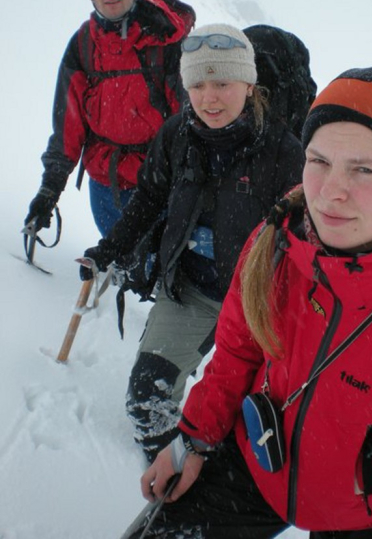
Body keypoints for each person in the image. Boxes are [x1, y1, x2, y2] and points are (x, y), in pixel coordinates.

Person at [128, 68, 372, 539]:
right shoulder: (276, 243)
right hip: (257, 461)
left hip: (370, 514)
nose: (329, 191)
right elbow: (239, 352)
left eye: (364, 169)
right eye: (318, 160)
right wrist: (194, 439)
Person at [79, 24, 305, 462]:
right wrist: (109, 250)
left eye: (222, 83)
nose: (210, 98)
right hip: (194, 290)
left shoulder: (284, 152)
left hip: (261, 303)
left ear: (249, 83)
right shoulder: (177, 135)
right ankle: (164, 466)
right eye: (198, 85)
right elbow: (149, 197)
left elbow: (304, 243)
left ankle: (217, 484)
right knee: (147, 396)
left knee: (259, 424)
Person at [24, 0, 195, 238]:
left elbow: (188, 119)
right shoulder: (83, 45)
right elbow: (68, 127)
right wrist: (49, 191)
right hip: (104, 183)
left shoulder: (165, 39)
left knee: (156, 274)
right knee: (119, 265)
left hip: (156, 183)